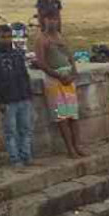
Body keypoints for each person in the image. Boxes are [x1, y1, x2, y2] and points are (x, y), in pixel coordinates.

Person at [35, 9, 86, 158]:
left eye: (55, 19)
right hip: (54, 81)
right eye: (49, 19)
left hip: (68, 80)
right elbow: (42, 63)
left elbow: (70, 55)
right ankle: (69, 148)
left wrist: (74, 72)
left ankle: (78, 145)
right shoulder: (41, 39)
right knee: (62, 117)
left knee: (73, 116)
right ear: (43, 21)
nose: (53, 22)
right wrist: (58, 76)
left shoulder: (60, 36)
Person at [0, 24, 35, 167]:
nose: (7, 40)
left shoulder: (16, 53)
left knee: (26, 129)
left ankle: (26, 156)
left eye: (9, 36)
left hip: (23, 97)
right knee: (11, 132)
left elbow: (24, 74)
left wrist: (28, 93)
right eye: (3, 37)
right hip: (7, 100)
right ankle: (15, 159)